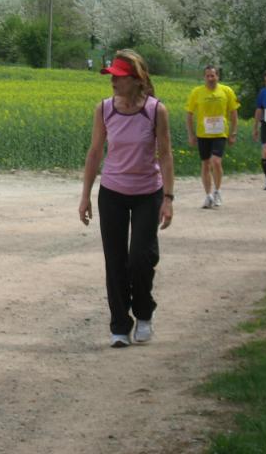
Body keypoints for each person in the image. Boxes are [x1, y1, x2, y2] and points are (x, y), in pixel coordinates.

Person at [79, 50, 174, 348]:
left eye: (119, 77)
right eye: (112, 77)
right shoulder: (104, 109)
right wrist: (85, 196)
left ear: (136, 80)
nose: (113, 82)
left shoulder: (156, 110)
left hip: (148, 193)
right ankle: (120, 325)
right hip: (112, 193)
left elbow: (165, 155)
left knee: (141, 258)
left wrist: (168, 198)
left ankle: (144, 313)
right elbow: (95, 152)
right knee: (115, 261)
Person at [185, 65, 239, 208]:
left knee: (216, 161)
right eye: (207, 76)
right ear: (204, 77)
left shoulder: (226, 91)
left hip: (220, 133)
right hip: (203, 134)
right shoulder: (197, 92)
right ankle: (208, 195)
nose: (210, 78)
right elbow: (189, 114)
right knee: (205, 164)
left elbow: (234, 113)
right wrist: (191, 134)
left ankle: (217, 191)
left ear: (217, 77)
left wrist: (233, 133)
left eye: (212, 76)